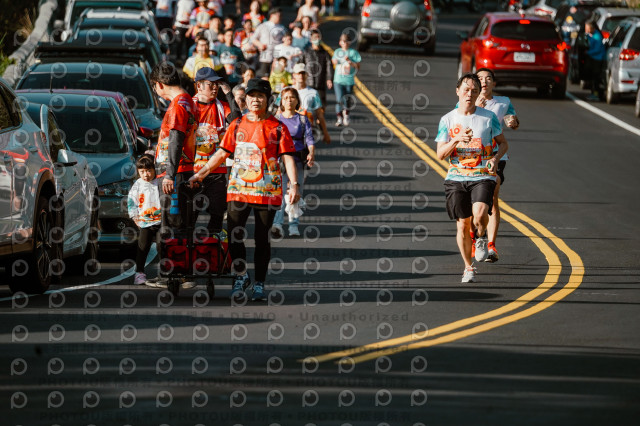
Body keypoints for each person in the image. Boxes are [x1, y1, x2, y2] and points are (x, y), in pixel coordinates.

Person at [189, 78, 300, 301]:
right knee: (234, 235)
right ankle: (241, 275)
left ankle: (259, 283)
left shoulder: (278, 127)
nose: (255, 100)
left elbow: (288, 157)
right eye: (251, 96)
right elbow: (222, 153)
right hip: (239, 189)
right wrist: (200, 173)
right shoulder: (237, 124)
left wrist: (294, 185)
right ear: (246, 99)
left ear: (268, 100)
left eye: (260, 96)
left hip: (267, 191)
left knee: (262, 239)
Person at [435, 73, 508, 284]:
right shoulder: (447, 120)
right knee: (462, 225)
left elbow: (503, 143)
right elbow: (440, 154)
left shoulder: (488, 117)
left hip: (482, 175)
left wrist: (495, 158)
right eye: (466, 90)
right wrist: (456, 140)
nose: (470, 94)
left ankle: (482, 235)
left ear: (478, 95)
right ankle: (468, 267)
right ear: (457, 91)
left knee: (480, 214)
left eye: (474, 91)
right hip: (456, 177)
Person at [148, 62, 198, 288]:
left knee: (171, 225)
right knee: (180, 224)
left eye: (154, 87)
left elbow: (176, 141)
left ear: (159, 84)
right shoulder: (188, 101)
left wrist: (169, 174)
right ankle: (180, 273)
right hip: (182, 171)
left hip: (175, 175)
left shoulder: (178, 105)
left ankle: (174, 274)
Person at [475, 68, 519, 262]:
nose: (484, 82)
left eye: (488, 79)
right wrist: (475, 108)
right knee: (475, 204)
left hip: (496, 156)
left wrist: (513, 122)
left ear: (494, 83)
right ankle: (477, 236)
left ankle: (491, 246)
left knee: (493, 196)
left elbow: (512, 120)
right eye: (480, 79)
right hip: (473, 158)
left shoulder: (503, 102)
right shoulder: (466, 101)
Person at [192, 67, 242, 234]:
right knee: (191, 211)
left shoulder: (222, 107)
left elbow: (237, 122)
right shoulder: (189, 106)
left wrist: (228, 93)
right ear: (198, 86)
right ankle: (188, 244)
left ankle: (213, 242)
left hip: (216, 169)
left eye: (217, 84)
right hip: (193, 169)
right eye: (210, 84)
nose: (215, 88)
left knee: (218, 210)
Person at [271, 87, 314, 237]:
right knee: (279, 193)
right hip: (280, 161)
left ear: (297, 101)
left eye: (292, 97)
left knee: (296, 192)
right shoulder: (276, 120)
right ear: (281, 102)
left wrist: (311, 153)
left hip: (297, 161)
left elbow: (309, 138)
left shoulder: (302, 119)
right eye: (286, 98)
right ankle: (277, 224)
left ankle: (293, 224)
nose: (289, 100)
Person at [128, 155, 162, 285]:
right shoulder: (138, 184)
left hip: (161, 221)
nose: (146, 175)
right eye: (142, 172)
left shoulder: (159, 181)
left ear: (154, 169)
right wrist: (134, 216)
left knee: (162, 246)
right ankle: (139, 273)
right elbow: (131, 200)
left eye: (149, 171)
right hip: (145, 222)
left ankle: (165, 273)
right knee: (142, 248)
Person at [291, 62, 330, 144]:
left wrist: (325, 133)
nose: (301, 76)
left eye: (303, 73)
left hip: (307, 129)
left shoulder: (313, 93)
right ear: (294, 75)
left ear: (307, 75)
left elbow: (319, 114)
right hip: (290, 128)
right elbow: (279, 112)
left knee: (308, 151)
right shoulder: (286, 91)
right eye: (299, 73)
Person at [332, 33, 361, 126]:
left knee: (347, 99)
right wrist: (336, 61)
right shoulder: (337, 52)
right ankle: (339, 118)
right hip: (338, 80)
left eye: (347, 41)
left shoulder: (353, 53)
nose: (345, 43)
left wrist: (350, 61)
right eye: (343, 41)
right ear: (340, 42)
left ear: (349, 42)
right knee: (339, 98)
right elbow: (333, 61)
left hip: (349, 80)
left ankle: (346, 115)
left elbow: (358, 67)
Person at [300, 28, 333, 108]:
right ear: (311, 40)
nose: (317, 39)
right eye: (315, 37)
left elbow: (329, 66)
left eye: (318, 37)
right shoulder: (306, 52)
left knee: (321, 106)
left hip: (320, 83)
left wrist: (329, 79)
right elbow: (300, 66)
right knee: (307, 107)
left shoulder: (325, 53)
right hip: (308, 83)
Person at [251, 8, 285, 78]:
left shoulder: (282, 28)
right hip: (265, 56)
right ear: (272, 15)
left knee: (276, 77)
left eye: (281, 16)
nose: (280, 17)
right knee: (263, 77)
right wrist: (259, 44)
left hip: (278, 57)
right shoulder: (263, 26)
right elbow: (253, 38)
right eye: (279, 15)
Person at [584, 20, 606, 101]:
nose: (586, 29)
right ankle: (594, 93)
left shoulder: (597, 36)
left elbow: (597, 49)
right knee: (593, 77)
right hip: (594, 59)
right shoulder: (592, 35)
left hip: (598, 59)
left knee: (596, 78)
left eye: (587, 28)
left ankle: (596, 94)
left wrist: (587, 52)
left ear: (592, 28)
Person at [173, 0, 196, 65]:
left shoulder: (192, 2)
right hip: (179, 24)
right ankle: (178, 59)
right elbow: (175, 11)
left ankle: (187, 60)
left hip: (188, 25)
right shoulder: (179, 1)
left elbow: (194, 14)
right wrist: (174, 22)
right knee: (178, 42)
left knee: (188, 44)